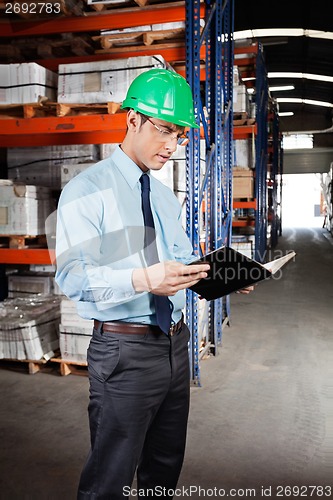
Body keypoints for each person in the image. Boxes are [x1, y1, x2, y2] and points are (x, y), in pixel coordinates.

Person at [55, 68, 211, 499]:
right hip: (124, 353)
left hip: (174, 346)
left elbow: (178, 262)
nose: (172, 146)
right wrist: (144, 279)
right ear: (132, 120)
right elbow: (73, 277)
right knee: (112, 476)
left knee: (164, 466)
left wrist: (218, 275)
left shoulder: (163, 196)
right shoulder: (87, 191)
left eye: (180, 136)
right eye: (165, 131)